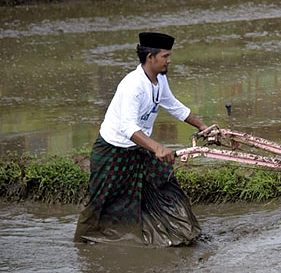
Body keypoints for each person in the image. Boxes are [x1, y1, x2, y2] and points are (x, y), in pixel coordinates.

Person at [74, 32, 209, 246]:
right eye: (165, 56)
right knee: (102, 204)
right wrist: (157, 147)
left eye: (169, 56)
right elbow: (127, 127)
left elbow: (173, 105)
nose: (169, 60)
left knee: (165, 185)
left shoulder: (159, 80)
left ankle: (179, 234)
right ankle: (84, 244)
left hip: (140, 147)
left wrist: (202, 127)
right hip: (113, 151)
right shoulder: (132, 86)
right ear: (150, 58)